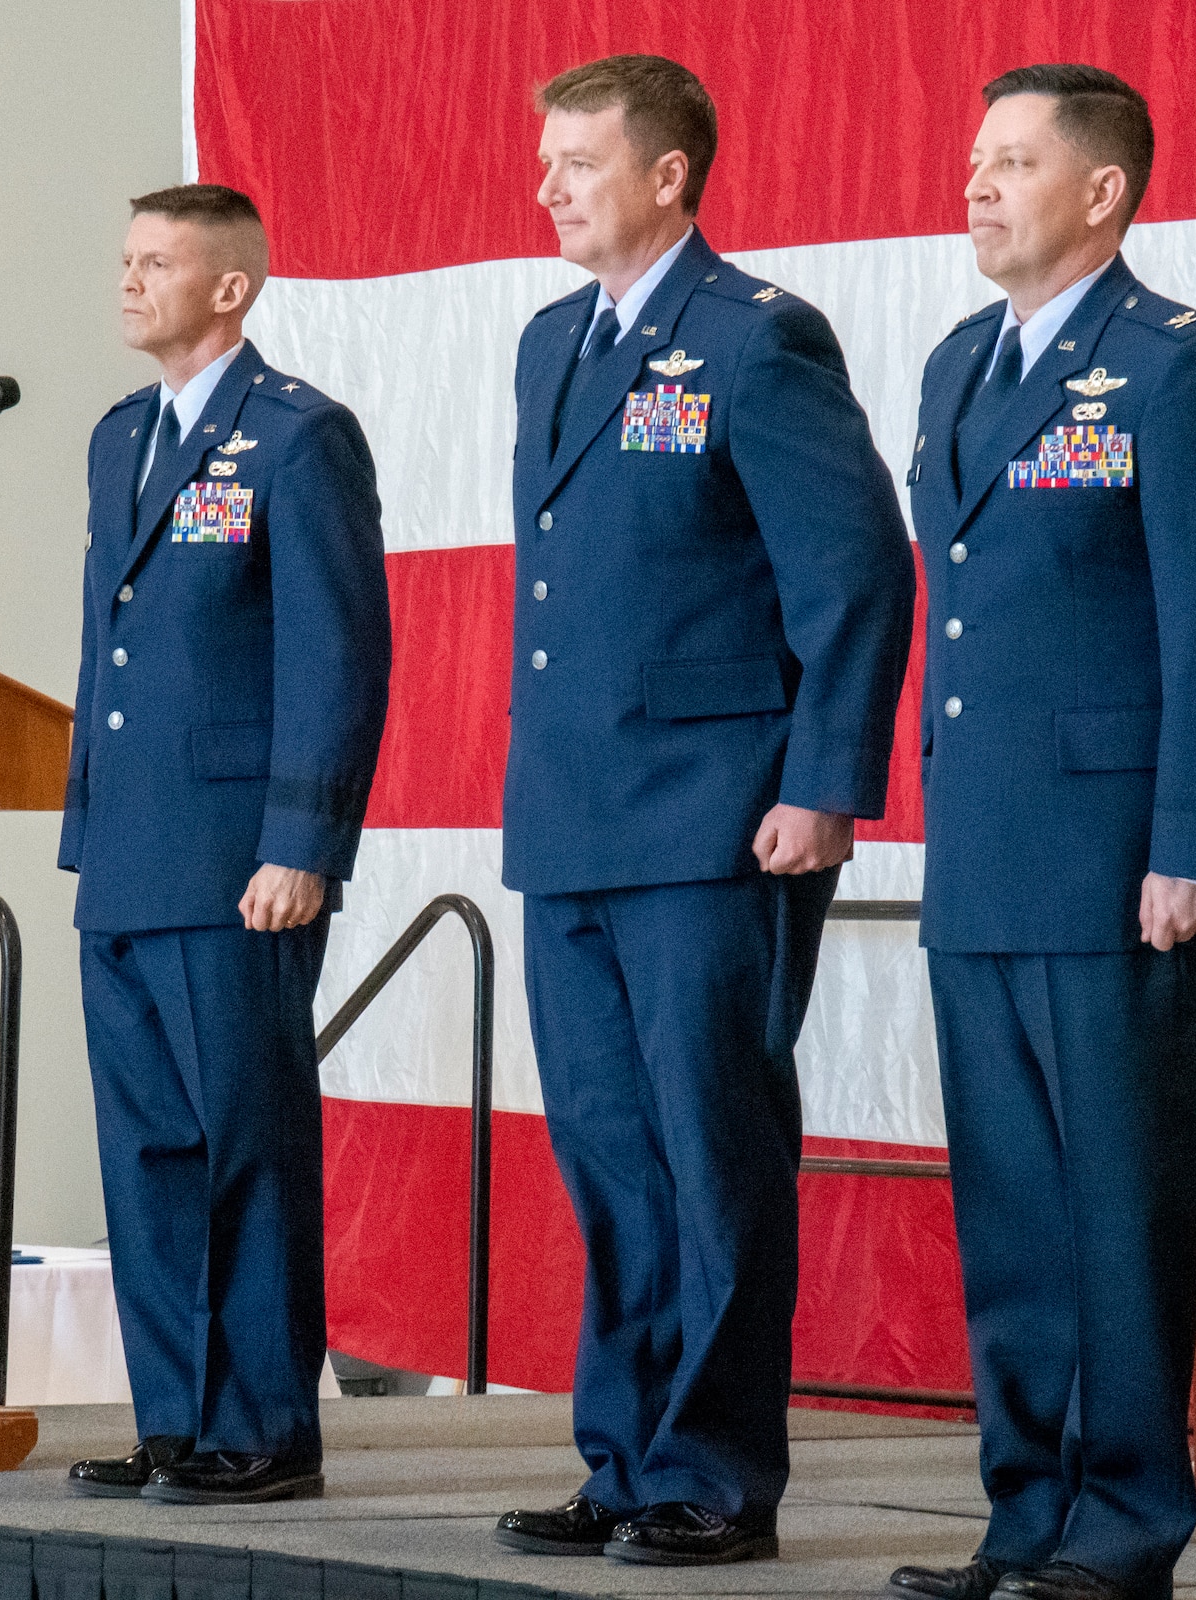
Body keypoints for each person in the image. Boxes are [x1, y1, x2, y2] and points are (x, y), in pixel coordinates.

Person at [492, 54, 917, 1567]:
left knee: (711, 1147)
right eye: (544, 161)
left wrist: (823, 786)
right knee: (609, 1156)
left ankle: (714, 1475)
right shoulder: (553, 341)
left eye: (580, 163)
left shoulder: (754, 338)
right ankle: (625, 1457)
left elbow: (854, 571)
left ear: (670, 175)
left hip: (716, 818)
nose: (548, 186)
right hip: (576, 818)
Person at [887, 66, 1196, 1600]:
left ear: (1105, 192)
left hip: (1126, 861)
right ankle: (1025, 1519)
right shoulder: (957, 367)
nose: (979, 183)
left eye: (1013, 161)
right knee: (1010, 1216)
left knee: (1117, 1211)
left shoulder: (1180, 371)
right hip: (986, 848)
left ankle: (1121, 1528)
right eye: (975, 157)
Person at [58, 183, 391, 1506]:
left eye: (157, 263)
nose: (130, 281)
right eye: (126, 257)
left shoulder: (297, 439)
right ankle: (177, 1419)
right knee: (146, 1156)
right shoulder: (120, 436)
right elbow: (109, 649)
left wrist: (303, 842)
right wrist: (85, 824)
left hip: (240, 860)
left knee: (245, 1142)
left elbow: (336, 654)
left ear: (232, 287)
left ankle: (263, 1425)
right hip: (131, 855)